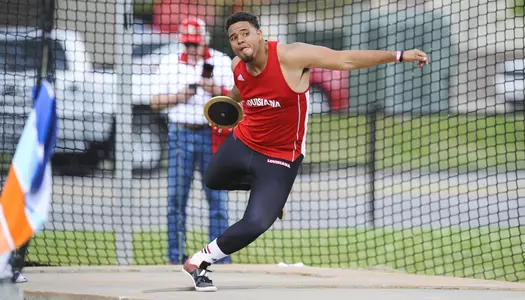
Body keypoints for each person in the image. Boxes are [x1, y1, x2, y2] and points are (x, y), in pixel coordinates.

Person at [181, 11, 429, 292]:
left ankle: (199, 261)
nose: (239, 41)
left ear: (259, 34)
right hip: (244, 142)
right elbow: (239, 92)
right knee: (212, 180)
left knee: (257, 223)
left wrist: (399, 55)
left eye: (245, 33)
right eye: (233, 38)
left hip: (280, 156)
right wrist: (225, 109)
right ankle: (269, 192)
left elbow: (344, 60)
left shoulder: (291, 56)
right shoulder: (238, 64)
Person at [151, 17, 234, 265]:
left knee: (217, 200)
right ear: (181, 42)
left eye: (195, 44)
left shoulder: (219, 61)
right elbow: (155, 101)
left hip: (214, 134)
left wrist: (214, 89)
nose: (191, 49)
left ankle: (220, 258)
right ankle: (175, 258)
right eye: (187, 44)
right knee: (176, 199)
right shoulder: (169, 63)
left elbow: (235, 98)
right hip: (180, 134)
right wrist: (180, 96)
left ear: (204, 40)